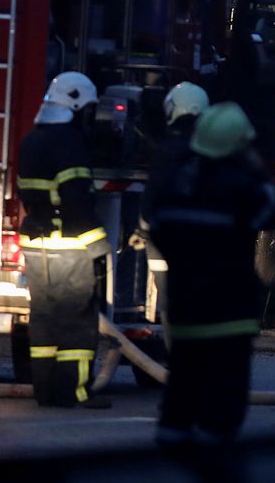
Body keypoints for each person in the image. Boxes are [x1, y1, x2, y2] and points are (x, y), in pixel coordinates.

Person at [146, 103, 275, 446]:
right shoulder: (241, 186)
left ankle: (169, 461)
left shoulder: (177, 182)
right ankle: (213, 469)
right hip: (229, 318)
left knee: (180, 397)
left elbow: (157, 227)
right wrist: (259, 171)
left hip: (185, 315)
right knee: (222, 409)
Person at [17, 71, 113, 409]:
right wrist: (99, 247)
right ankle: (75, 391)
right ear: (75, 106)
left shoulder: (31, 140)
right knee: (77, 322)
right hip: (70, 248)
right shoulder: (70, 144)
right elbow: (76, 200)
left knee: (44, 319)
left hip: (36, 244)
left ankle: (45, 391)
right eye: (88, 110)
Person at [130, 81, 210, 323]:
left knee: (171, 306)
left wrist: (141, 231)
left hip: (166, 242)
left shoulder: (167, 150)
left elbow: (152, 197)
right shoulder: (212, 151)